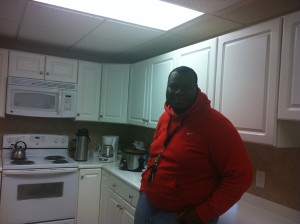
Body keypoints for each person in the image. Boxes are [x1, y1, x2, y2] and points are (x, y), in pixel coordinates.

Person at [134, 66, 253, 224]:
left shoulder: (216, 124)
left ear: (196, 89)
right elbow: (155, 155)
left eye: (186, 87)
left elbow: (241, 176)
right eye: (173, 87)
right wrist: (144, 188)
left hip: (183, 216)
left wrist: (203, 213)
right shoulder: (165, 117)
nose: (178, 92)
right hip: (148, 203)